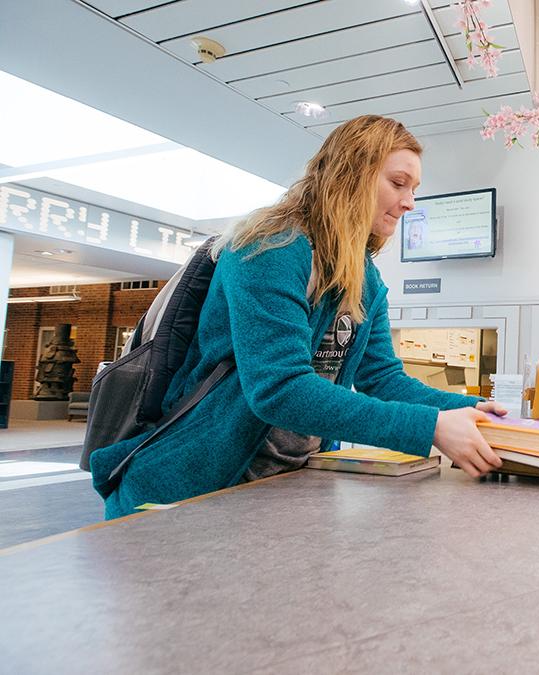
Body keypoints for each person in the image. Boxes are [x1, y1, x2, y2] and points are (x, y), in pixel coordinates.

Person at [90, 115, 504, 519]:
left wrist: (475, 410)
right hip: (192, 491)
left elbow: (383, 379)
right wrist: (430, 426)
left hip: (283, 488)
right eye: (398, 183)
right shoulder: (270, 246)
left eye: (413, 188)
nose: (410, 202)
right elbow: (280, 388)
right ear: (350, 175)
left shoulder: (365, 277)